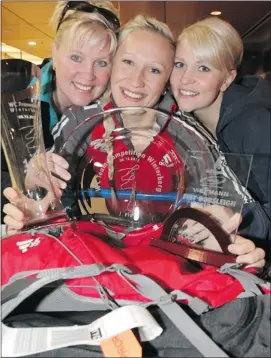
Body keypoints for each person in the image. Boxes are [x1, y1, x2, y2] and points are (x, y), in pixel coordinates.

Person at [3, 15, 266, 268]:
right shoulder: (78, 124)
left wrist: (234, 233)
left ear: (167, 81)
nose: (137, 81)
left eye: (154, 69)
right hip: (92, 274)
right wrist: (33, 204)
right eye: (128, 62)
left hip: (166, 280)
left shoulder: (187, 133)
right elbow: (51, 208)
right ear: (113, 64)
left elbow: (247, 215)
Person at [1, 0, 120, 221]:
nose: (88, 74)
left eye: (102, 63)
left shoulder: (112, 119)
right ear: (54, 52)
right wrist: (22, 183)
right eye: (76, 57)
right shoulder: (11, 90)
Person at [170, 17, 271, 247]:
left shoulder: (254, 124)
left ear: (227, 80)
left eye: (203, 68)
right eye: (180, 64)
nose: (186, 78)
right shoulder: (184, 123)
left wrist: (236, 219)